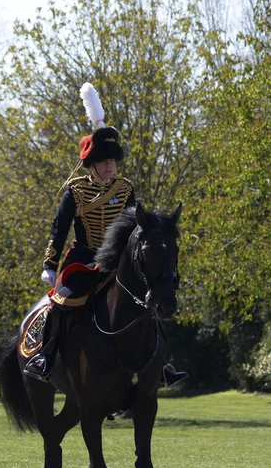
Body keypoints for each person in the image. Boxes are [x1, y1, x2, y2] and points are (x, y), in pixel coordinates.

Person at [24, 83, 186, 388]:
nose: (110, 166)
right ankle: (46, 355)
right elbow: (59, 229)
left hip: (118, 261)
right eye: (104, 161)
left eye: (112, 161)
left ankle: (162, 364)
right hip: (84, 259)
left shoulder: (125, 189)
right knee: (62, 300)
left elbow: (138, 225)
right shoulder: (76, 190)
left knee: (149, 297)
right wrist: (50, 263)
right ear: (93, 163)